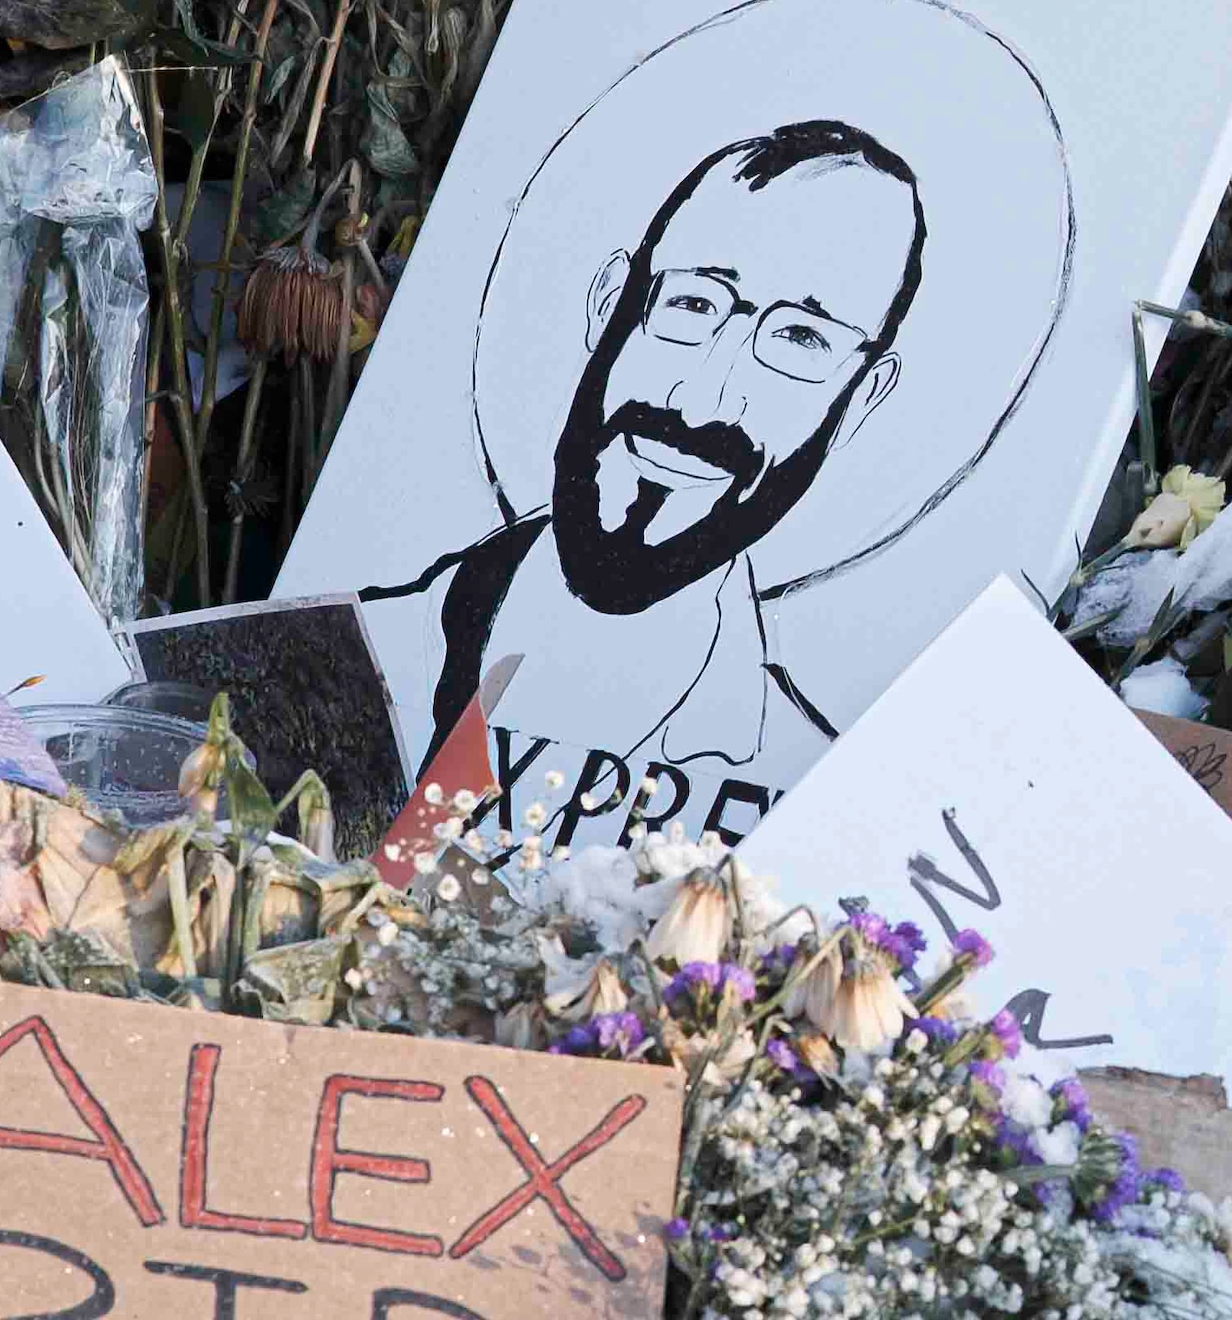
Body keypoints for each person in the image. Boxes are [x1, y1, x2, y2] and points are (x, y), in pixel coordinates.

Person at [375, 121, 924, 839]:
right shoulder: (353, 648)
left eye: (799, 339)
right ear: (611, 300)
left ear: (862, 397)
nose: (703, 400)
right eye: (694, 305)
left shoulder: (809, 803)